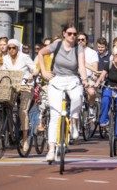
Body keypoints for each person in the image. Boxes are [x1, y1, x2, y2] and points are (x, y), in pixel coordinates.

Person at [38, 23, 88, 162]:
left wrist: (85, 80)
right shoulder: (57, 45)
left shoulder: (79, 48)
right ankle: (52, 150)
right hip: (57, 80)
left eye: (75, 34)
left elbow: (82, 66)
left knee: (78, 96)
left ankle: (73, 122)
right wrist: (43, 71)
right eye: (70, 33)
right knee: (55, 115)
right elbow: (41, 53)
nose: (73, 36)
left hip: (72, 79)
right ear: (64, 34)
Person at [2, 39, 36, 151]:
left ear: (18, 48)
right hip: (11, 87)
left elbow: (34, 68)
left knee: (22, 110)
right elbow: (3, 71)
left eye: (14, 48)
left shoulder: (24, 57)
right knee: (5, 107)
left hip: (25, 86)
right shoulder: (5, 58)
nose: (11, 50)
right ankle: (9, 132)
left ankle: (25, 139)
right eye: (9, 48)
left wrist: (32, 75)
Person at [78, 32, 99, 118]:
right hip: (76, 78)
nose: (80, 41)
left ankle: (91, 106)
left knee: (91, 92)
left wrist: (94, 74)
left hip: (89, 77)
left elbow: (95, 66)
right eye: (78, 40)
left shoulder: (92, 52)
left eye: (82, 40)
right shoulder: (73, 51)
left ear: (86, 41)